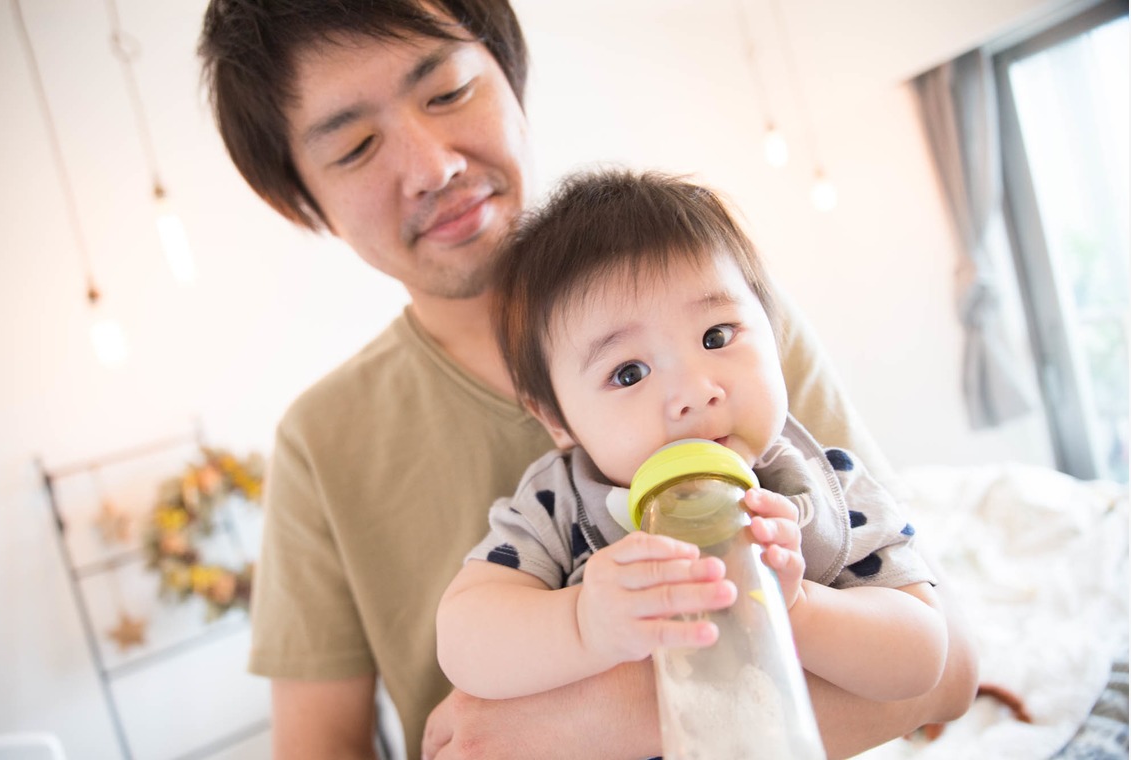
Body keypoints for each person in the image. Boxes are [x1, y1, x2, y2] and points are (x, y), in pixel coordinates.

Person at [196, 2, 978, 759]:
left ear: (509, 73)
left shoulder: (731, 334)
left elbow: (947, 665)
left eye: (447, 93)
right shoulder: (323, 440)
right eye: (357, 147)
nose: (433, 167)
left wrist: (596, 722)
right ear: (303, 198)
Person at [437, 169, 948, 707]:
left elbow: (921, 657)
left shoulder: (826, 484)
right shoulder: (558, 506)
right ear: (557, 420)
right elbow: (464, 639)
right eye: (629, 373)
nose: (694, 392)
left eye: (716, 336)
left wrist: (797, 611)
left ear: (774, 338)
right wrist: (584, 624)